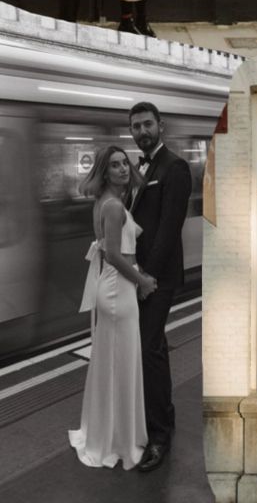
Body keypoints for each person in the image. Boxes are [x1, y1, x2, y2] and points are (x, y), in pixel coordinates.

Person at [68, 145, 156, 469]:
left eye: (125, 164)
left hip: (112, 286)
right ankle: (119, 441)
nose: (122, 169)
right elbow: (117, 256)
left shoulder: (104, 202)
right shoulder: (114, 207)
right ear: (105, 171)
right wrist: (143, 281)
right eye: (115, 165)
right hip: (120, 291)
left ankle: (103, 433)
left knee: (111, 363)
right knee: (122, 364)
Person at [129, 103, 193, 472]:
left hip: (159, 277)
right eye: (136, 126)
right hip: (138, 275)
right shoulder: (141, 168)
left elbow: (170, 227)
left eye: (147, 124)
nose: (142, 131)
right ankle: (155, 418)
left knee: (150, 348)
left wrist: (147, 277)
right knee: (151, 350)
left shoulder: (175, 167)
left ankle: (160, 437)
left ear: (160, 126)